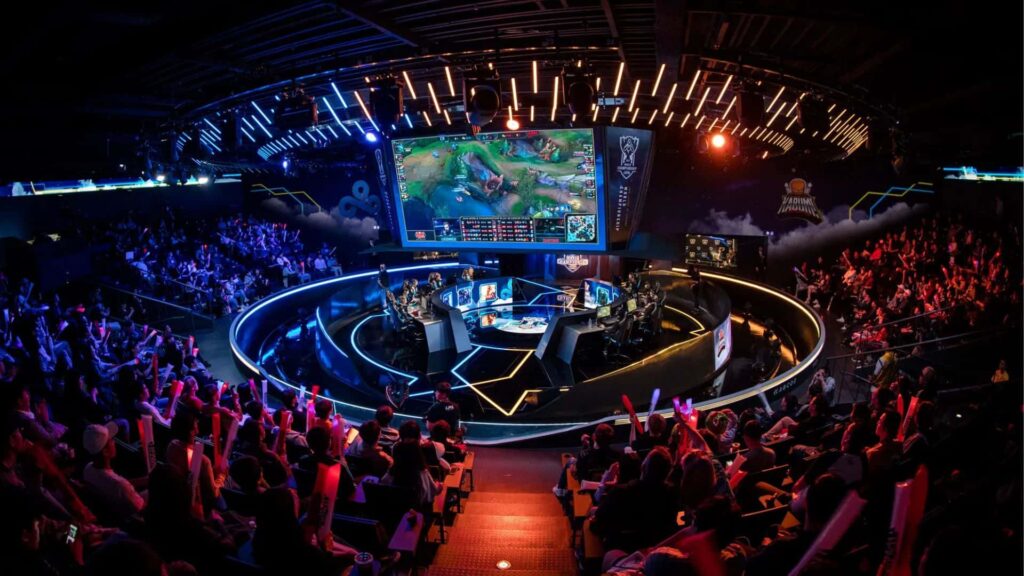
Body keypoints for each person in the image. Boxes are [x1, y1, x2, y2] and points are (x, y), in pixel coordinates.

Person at [589, 446, 677, 552]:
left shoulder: (620, 492)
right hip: (656, 548)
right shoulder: (673, 495)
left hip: (620, 551)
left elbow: (598, 524)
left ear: (643, 467)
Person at [81, 422, 146, 519]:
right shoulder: (119, 484)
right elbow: (143, 509)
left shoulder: (88, 469)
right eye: (111, 440)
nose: (114, 442)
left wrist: (146, 479)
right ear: (105, 452)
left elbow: (120, 487)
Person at [382, 440, 443, 509]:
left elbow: (383, 486)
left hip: (395, 512)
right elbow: (434, 491)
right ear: (418, 455)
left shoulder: (391, 473)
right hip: (419, 513)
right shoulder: (423, 473)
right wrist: (439, 485)